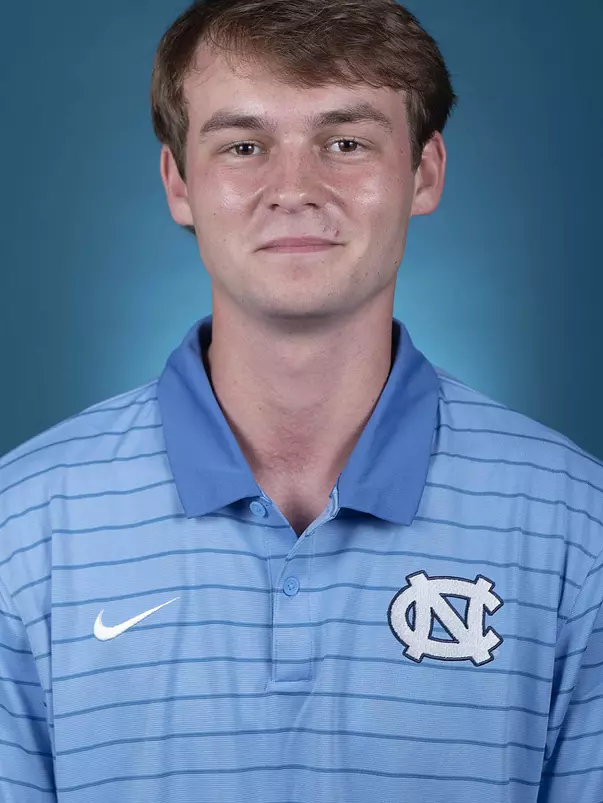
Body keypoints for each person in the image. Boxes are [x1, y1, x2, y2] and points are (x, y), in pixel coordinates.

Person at [1, 0, 602, 800]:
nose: (294, 188)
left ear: (422, 172)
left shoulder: (576, 527)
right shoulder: (22, 525)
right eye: (243, 145)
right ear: (179, 182)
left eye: (345, 142)